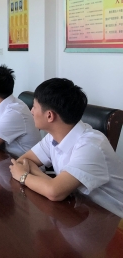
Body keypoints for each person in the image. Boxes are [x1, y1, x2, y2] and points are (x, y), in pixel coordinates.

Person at [10, 78, 123, 217]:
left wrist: (23, 176)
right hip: (80, 211)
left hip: (113, 220)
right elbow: (24, 161)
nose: (31, 111)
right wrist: (52, 184)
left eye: (34, 107)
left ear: (49, 116)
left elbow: (54, 192)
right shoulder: (53, 136)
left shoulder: (91, 146)